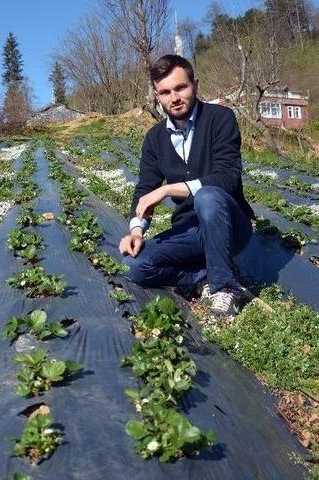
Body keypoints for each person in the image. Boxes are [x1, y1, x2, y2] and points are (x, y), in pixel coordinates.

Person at [118, 54, 255, 316]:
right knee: (133, 266)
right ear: (157, 96)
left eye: (180, 87)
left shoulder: (220, 119)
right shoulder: (155, 138)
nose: (174, 98)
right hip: (190, 230)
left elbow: (228, 178)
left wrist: (168, 189)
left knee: (207, 196)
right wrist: (136, 232)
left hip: (228, 224)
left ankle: (225, 288)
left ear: (195, 85)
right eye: (165, 92)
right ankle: (201, 277)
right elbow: (144, 189)